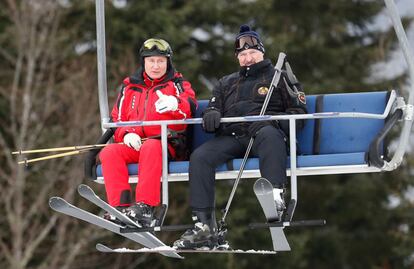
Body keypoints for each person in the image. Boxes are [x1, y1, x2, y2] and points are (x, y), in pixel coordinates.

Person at [174, 25, 307, 249]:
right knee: (201, 157)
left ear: (262, 53)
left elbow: (299, 114)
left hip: (266, 133)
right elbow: (212, 109)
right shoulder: (226, 82)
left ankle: (275, 197)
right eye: (242, 55)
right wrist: (212, 115)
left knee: (269, 136)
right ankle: (203, 226)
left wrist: (273, 120)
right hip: (234, 136)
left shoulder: (279, 77)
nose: (247, 58)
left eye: (252, 53)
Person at [99, 38, 197, 227]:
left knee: (151, 146)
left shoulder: (176, 84)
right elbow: (117, 119)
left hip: (166, 145)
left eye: (160, 61)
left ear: (168, 62)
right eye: (151, 61)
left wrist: (175, 104)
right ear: (143, 62)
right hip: (135, 144)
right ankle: (120, 206)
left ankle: (145, 206)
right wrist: (127, 133)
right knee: (110, 152)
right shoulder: (130, 88)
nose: (156, 66)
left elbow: (189, 108)